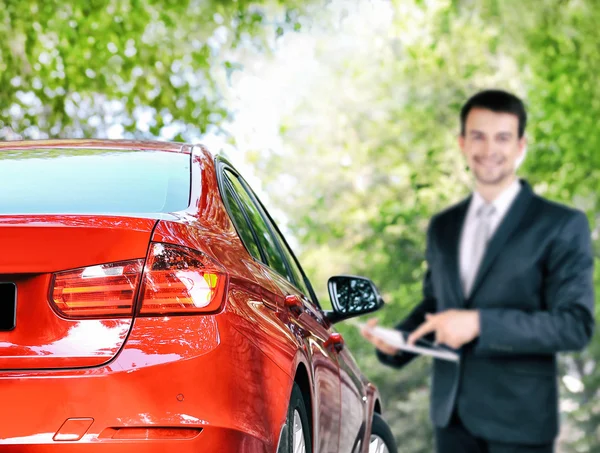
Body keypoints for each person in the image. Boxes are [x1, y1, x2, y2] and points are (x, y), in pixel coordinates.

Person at [361, 89, 595, 453]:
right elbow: (436, 305)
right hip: (451, 419)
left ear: (521, 146)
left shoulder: (561, 225)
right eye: (478, 136)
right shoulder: (443, 227)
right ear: (462, 143)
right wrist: (399, 343)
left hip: (520, 423)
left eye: (502, 137)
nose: (489, 150)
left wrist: (480, 323)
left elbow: (574, 324)